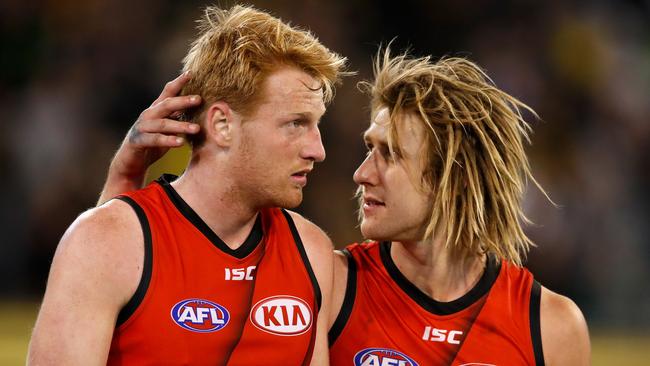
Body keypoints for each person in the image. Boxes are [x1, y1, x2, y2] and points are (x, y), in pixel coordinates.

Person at [86, 50, 591, 364]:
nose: (360, 173)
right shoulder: (324, 279)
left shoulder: (550, 327)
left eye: (388, 155)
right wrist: (124, 182)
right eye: (368, 147)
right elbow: (147, 307)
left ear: (451, 180)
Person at [28, 5, 347, 365]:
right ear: (222, 125)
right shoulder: (103, 241)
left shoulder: (312, 252)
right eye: (295, 123)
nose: (317, 150)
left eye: (316, 124)